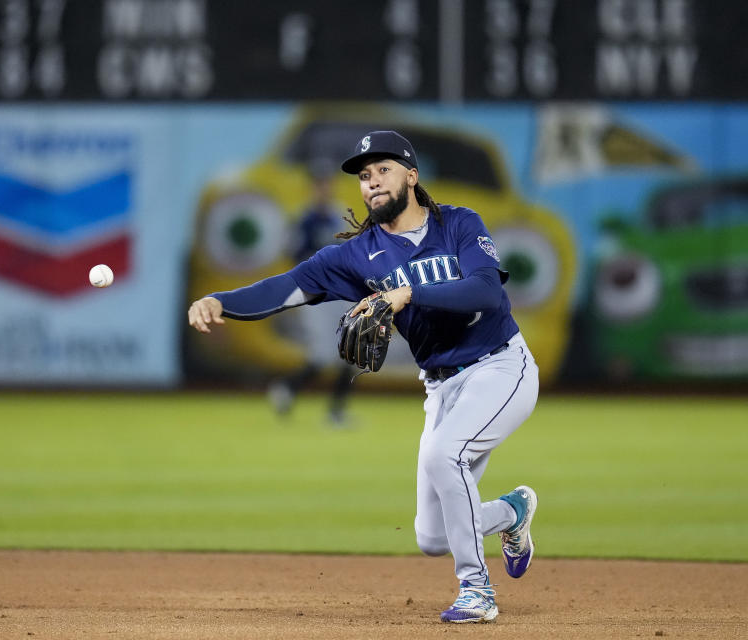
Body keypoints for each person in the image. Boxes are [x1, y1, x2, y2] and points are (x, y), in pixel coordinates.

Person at [188, 130, 539, 624]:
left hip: (501, 366)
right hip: (441, 385)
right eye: (364, 175)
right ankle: (512, 513)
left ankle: (477, 590)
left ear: (412, 176)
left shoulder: (459, 224)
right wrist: (221, 301)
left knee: (445, 455)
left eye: (384, 169)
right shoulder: (355, 255)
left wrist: (407, 294)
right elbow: (285, 287)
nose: (372, 181)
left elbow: (484, 292)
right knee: (432, 538)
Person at [266, 159, 353, 425]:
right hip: (316, 295)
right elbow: (291, 254)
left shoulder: (339, 214)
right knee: (324, 354)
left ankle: (334, 411)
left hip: (340, 294)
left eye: (326, 183)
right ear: (312, 188)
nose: (323, 188)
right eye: (319, 184)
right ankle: (288, 388)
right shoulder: (305, 220)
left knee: (351, 350)